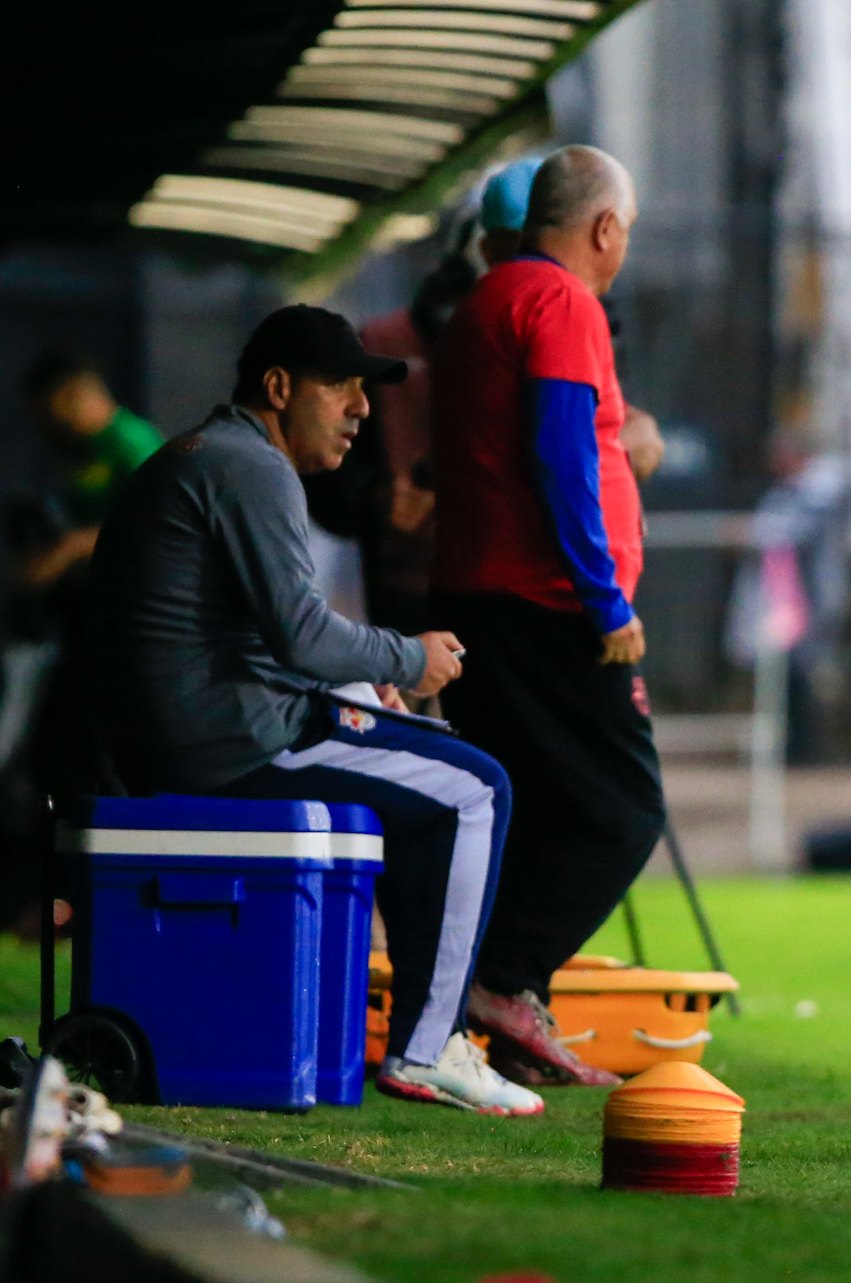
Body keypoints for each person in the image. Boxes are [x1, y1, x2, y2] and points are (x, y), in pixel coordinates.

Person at [91, 305, 542, 1116]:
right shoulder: (249, 466)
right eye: (341, 388)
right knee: (476, 792)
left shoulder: (207, 454)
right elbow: (300, 637)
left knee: (432, 771)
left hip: (199, 734)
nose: (363, 410)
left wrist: (363, 685)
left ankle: (422, 1030)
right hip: (234, 746)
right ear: (278, 387)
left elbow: (254, 641)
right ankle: (428, 1047)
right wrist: (408, 656)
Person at [431, 144, 664, 1092]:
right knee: (622, 811)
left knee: (527, 811)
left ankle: (490, 1005)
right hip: (546, 605)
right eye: (627, 232)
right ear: (605, 227)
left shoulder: (484, 300)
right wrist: (605, 597)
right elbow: (564, 456)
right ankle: (505, 982)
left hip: (481, 597)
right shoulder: (562, 303)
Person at [19, 350, 164, 592]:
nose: (47, 429)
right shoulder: (83, 451)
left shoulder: (133, 443)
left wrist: (71, 548)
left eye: (49, 416)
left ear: (71, 397)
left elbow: (153, 524)